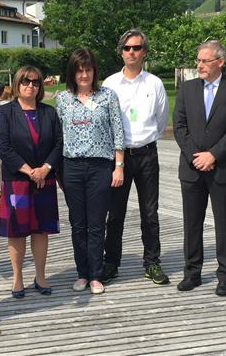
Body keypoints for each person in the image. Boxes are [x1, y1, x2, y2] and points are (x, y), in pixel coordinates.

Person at [173, 40, 226, 297]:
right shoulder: (187, 88)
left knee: (224, 223)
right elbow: (179, 125)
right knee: (192, 223)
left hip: (222, 167)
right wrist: (196, 156)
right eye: (198, 60)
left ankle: (225, 275)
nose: (199, 65)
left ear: (221, 62)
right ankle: (192, 273)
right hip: (192, 167)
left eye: (205, 61)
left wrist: (213, 155)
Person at [101, 29, 170, 286]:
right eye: (127, 48)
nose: (132, 52)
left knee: (150, 213)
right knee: (114, 213)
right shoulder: (109, 84)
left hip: (147, 154)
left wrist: (145, 139)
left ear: (145, 52)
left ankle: (152, 262)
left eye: (137, 48)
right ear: (121, 52)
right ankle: (111, 262)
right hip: (118, 157)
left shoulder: (155, 84)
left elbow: (161, 120)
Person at [55, 48, 124, 295]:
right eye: (79, 70)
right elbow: (58, 137)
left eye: (88, 70)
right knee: (78, 223)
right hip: (71, 167)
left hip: (100, 166)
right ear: (72, 73)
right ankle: (82, 273)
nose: (84, 75)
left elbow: (118, 132)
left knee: (96, 223)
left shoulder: (107, 96)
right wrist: (57, 172)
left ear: (94, 71)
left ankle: (95, 274)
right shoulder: (63, 99)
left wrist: (119, 166)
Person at [0, 66, 62, 298]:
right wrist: (29, 171)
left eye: (35, 82)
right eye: (25, 81)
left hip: (44, 179)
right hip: (17, 180)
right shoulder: (6, 112)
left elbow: (59, 143)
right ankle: (17, 278)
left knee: (41, 230)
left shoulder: (49, 112)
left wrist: (45, 169)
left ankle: (40, 276)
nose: (30, 86)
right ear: (17, 84)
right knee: (16, 231)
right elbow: (2, 146)